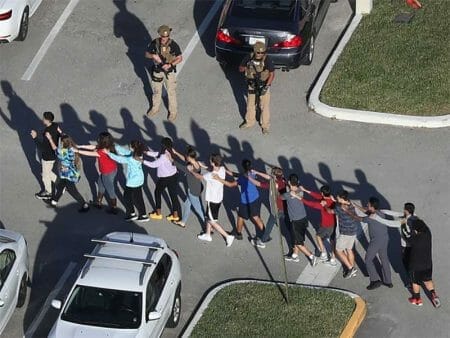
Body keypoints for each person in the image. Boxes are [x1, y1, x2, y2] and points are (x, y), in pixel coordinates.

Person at [214, 159, 266, 246]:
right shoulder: (252, 173)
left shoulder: (242, 178)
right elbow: (238, 175)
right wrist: (227, 171)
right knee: (256, 217)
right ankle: (264, 235)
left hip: (246, 201)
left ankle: (238, 234)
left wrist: (218, 179)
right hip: (256, 198)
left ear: (242, 166)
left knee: (241, 216)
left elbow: (231, 185)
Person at [354, 197, 400, 290]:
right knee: (384, 259)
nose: (367, 205)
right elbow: (366, 211)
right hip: (385, 238)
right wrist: (355, 206)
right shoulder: (380, 213)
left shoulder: (370, 218)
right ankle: (388, 281)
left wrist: (348, 211)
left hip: (376, 241)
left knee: (368, 260)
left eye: (368, 204)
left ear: (371, 206)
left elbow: (358, 218)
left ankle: (375, 280)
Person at [190, 154, 234, 247]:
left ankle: (227, 236)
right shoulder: (222, 169)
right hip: (218, 198)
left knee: (212, 220)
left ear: (213, 163)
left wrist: (191, 171)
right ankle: (208, 234)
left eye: (210, 161)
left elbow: (200, 177)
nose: (209, 161)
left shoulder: (210, 175)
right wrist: (205, 167)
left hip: (212, 200)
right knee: (209, 217)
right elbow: (212, 170)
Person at [145, 25, 183, 122]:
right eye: (162, 36)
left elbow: (179, 58)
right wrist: (153, 56)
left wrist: (170, 65)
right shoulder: (155, 43)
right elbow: (146, 54)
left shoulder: (173, 45)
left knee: (171, 92)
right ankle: (155, 108)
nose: (163, 38)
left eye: (165, 36)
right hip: (157, 71)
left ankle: (173, 112)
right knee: (156, 91)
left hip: (169, 73)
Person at [106, 140, 149, 222]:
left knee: (126, 197)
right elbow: (125, 152)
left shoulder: (131, 159)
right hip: (139, 179)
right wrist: (116, 146)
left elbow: (119, 159)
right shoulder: (138, 154)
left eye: (130, 146)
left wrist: (109, 153)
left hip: (133, 181)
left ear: (133, 148)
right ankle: (143, 214)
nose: (129, 147)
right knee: (138, 197)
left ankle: (131, 213)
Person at [76, 132, 119, 214]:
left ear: (103, 141)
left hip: (107, 173)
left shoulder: (102, 151)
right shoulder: (108, 146)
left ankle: (114, 208)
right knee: (100, 185)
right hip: (110, 170)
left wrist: (77, 150)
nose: (98, 139)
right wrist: (80, 146)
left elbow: (90, 153)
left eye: (99, 138)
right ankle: (98, 202)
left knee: (110, 190)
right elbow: (93, 147)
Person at [45, 133, 89, 212]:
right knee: (60, 187)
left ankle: (85, 205)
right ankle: (54, 202)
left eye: (61, 142)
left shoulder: (64, 152)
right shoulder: (72, 149)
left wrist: (50, 138)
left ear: (63, 143)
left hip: (68, 175)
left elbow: (55, 149)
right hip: (71, 173)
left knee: (73, 191)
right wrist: (61, 132)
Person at [238, 41, 275, 135]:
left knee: (264, 106)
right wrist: (246, 68)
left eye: (262, 52)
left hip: (263, 85)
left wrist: (266, 86)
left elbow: (272, 74)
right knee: (250, 104)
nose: (260, 54)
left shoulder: (267, 59)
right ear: (255, 51)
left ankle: (265, 126)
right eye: (258, 52)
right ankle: (249, 122)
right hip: (252, 84)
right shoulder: (249, 57)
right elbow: (240, 68)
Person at [282, 174, 317, 267]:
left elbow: (280, 197)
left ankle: (311, 256)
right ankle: (295, 255)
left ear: (289, 182)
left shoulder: (287, 194)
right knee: (298, 238)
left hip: (295, 221)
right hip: (303, 218)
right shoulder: (301, 189)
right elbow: (296, 189)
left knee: (298, 242)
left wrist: (286, 186)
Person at [247, 167, 288, 246]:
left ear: (275, 176)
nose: (270, 174)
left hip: (277, 208)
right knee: (288, 223)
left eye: (272, 173)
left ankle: (262, 241)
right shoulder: (282, 179)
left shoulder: (273, 185)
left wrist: (249, 178)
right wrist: (257, 172)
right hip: (284, 206)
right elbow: (269, 177)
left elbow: (258, 184)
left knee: (269, 225)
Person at [144, 137, 180, 222]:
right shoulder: (170, 151)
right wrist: (147, 152)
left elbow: (153, 164)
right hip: (173, 175)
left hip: (165, 178)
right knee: (173, 195)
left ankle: (158, 213)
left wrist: (142, 161)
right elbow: (157, 154)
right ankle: (175, 215)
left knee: (157, 192)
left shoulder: (163, 156)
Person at [407, 219, 440, 307]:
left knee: (415, 282)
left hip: (416, 266)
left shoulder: (415, 238)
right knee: (427, 280)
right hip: (428, 264)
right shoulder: (428, 233)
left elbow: (408, 240)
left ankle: (417, 299)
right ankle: (433, 294)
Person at [300, 185, 337, 265]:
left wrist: (299, 197)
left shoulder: (322, 203)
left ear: (323, 193)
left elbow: (310, 204)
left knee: (318, 236)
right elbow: (317, 196)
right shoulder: (332, 199)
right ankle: (333, 259)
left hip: (326, 225)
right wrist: (305, 190)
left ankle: (323, 253)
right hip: (334, 223)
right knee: (332, 240)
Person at [170, 146, 206, 228]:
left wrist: (172, 160)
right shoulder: (196, 163)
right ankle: (183, 222)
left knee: (198, 209)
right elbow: (184, 159)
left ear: (190, 157)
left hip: (193, 190)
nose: (186, 157)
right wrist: (175, 153)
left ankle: (208, 226)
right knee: (186, 204)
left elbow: (181, 167)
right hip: (198, 187)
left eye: (187, 156)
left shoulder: (190, 167)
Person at [326, 190, 359, 278]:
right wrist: (335, 201)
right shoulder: (350, 203)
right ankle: (352, 269)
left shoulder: (340, 208)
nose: (336, 198)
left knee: (338, 250)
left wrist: (325, 205)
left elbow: (330, 211)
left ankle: (351, 268)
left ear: (341, 198)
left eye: (338, 197)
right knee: (349, 249)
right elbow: (339, 204)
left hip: (345, 232)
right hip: (353, 230)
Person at [30, 111, 62, 200]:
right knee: (48, 172)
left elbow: (42, 147)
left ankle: (48, 192)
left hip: (47, 157)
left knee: (45, 175)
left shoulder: (48, 133)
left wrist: (35, 137)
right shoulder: (55, 125)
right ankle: (61, 185)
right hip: (54, 154)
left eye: (43, 118)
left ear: (47, 120)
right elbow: (60, 134)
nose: (42, 119)